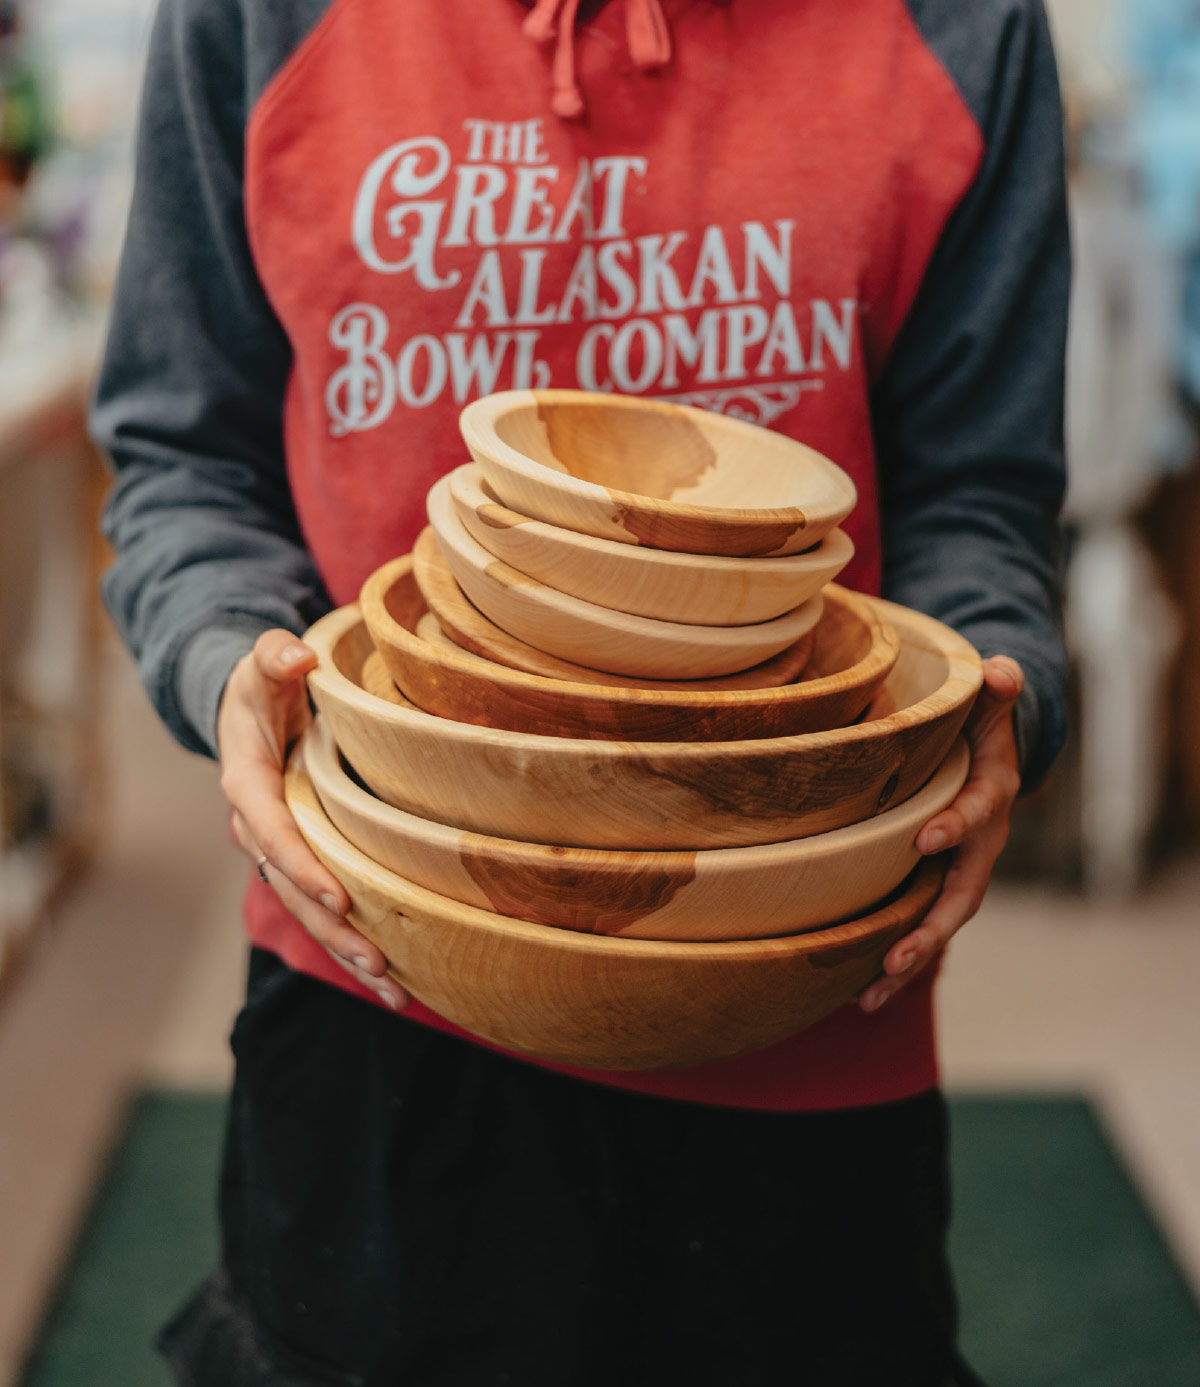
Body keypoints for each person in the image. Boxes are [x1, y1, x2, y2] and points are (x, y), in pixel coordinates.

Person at [94, 0, 1069, 1382]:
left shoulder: (963, 26)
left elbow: (982, 486)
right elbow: (184, 453)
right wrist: (224, 664)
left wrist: (993, 705)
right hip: (386, 964)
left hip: (803, 973)